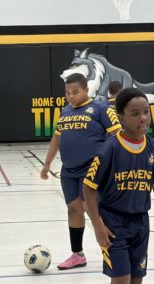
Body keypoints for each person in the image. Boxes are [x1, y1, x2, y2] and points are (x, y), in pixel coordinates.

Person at [83, 87, 154, 284]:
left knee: (136, 279)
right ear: (121, 118)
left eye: (146, 112)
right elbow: (88, 187)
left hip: (141, 223)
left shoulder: (153, 148)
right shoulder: (110, 149)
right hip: (113, 222)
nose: (143, 118)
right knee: (121, 279)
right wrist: (97, 224)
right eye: (135, 114)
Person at [41, 73, 121, 270]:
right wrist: (47, 163)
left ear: (87, 90)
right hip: (68, 171)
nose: (70, 96)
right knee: (74, 209)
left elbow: (118, 136)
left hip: (91, 169)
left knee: (93, 211)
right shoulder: (65, 111)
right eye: (67, 92)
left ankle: (112, 252)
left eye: (75, 92)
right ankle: (77, 255)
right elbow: (57, 138)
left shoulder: (100, 108)